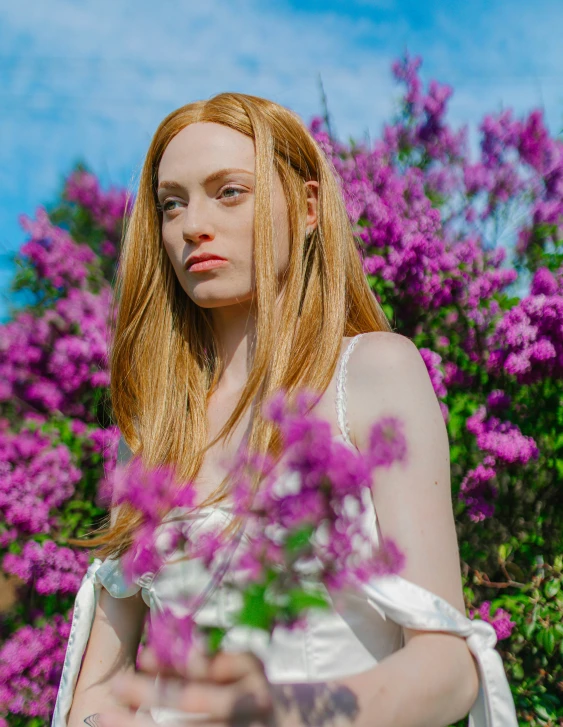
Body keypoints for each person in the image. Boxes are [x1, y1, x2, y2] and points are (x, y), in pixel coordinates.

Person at [53, 92, 501, 727]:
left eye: (229, 191)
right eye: (171, 203)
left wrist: (277, 713)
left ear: (309, 206)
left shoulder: (375, 372)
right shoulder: (154, 434)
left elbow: (446, 664)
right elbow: (97, 687)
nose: (192, 225)